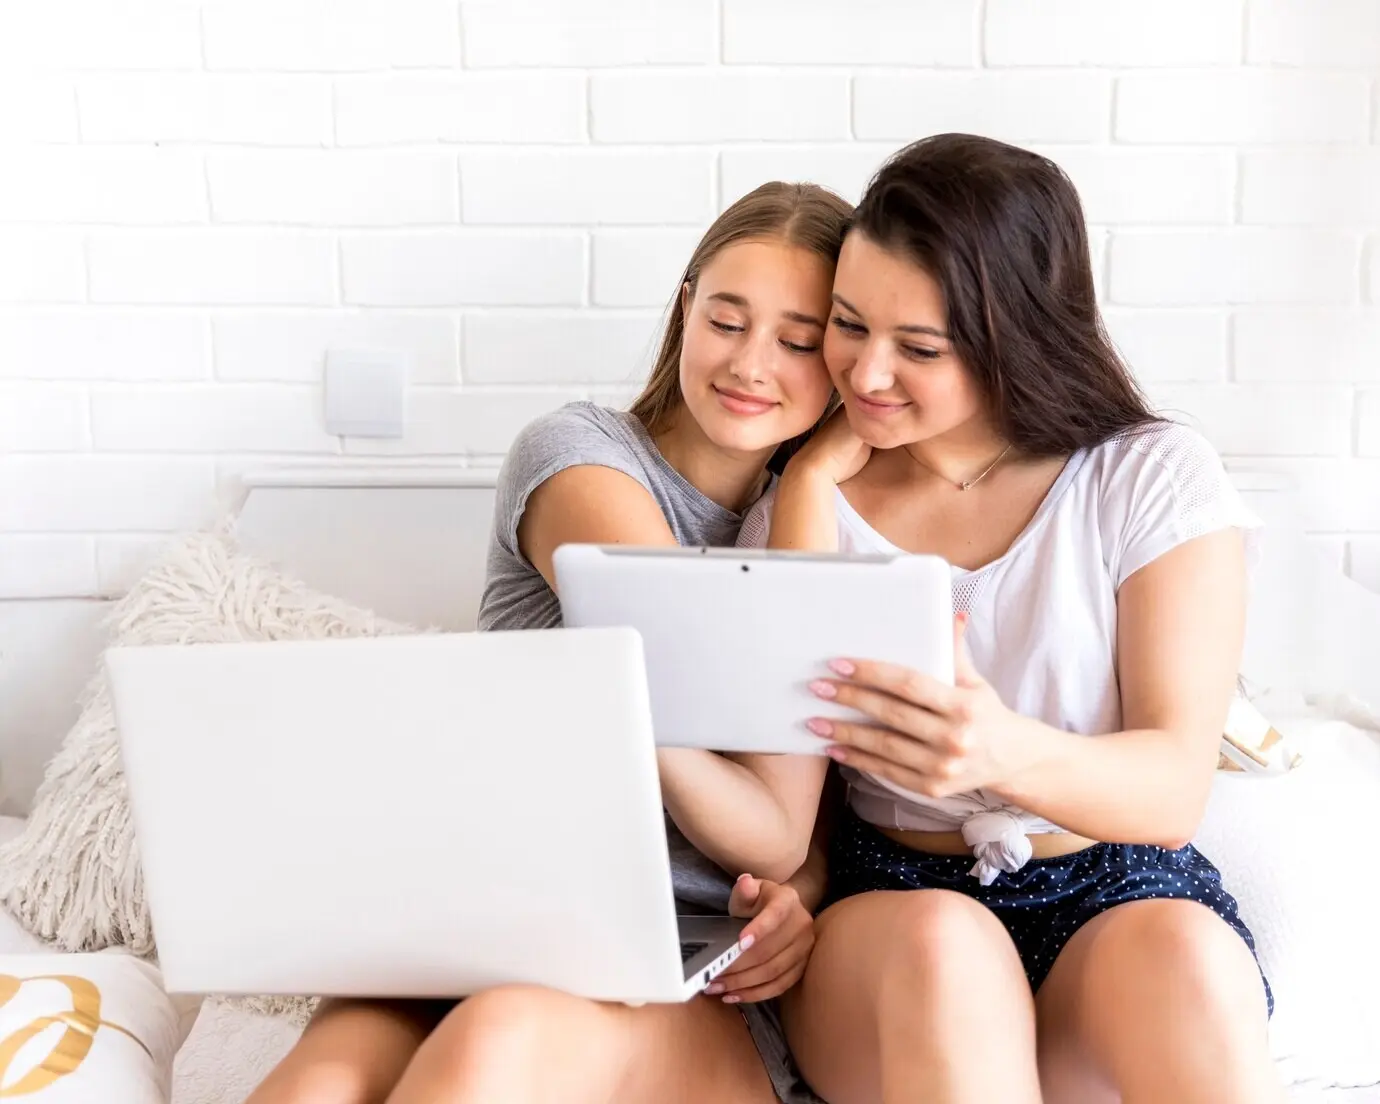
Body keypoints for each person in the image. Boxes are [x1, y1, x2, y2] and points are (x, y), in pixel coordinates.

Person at [246, 180, 849, 1104]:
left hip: (669, 955)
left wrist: (797, 891)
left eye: (800, 341)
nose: (752, 364)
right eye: (727, 319)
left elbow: (784, 834)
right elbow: (695, 715)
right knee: (317, 1086)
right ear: (686, 307)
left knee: (501, 1043)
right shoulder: (578, 459)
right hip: (478, 908)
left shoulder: (831, 530)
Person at [739, 135, 1282, 1104]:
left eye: (918, 348)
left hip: (1110, 888)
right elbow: (785, 801)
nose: (865, 375)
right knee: (950, 952)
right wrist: (810, 481)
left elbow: (1171, 790)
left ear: (1016, 337)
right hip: (895, 909)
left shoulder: (1144, 477)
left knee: (1189, 966)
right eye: (848, 325)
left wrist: (999, 751)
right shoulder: (802, 503)